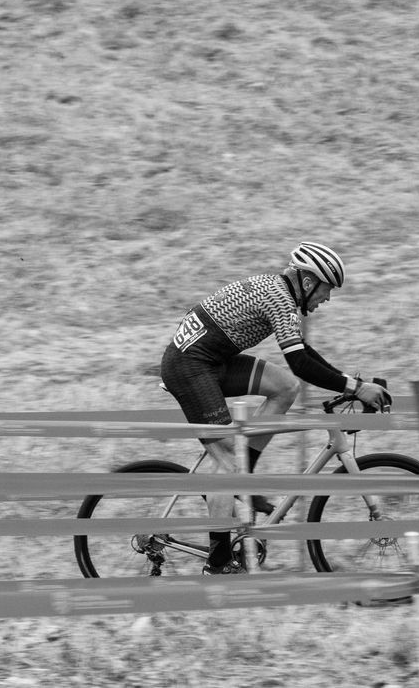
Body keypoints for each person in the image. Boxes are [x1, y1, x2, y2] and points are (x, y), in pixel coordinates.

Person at [159, 242, 392, 574]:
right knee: (225, 466)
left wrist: (349, 381)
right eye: (326, 290)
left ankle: (244, 476)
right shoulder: (279, 298)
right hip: (190, 367)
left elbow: (304, 355)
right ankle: (219, 562)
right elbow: (300, 362)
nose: (326, 299)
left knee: (285, 388)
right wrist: (355, 388)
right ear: (308, 282)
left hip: (213, 361)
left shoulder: (278, 292)